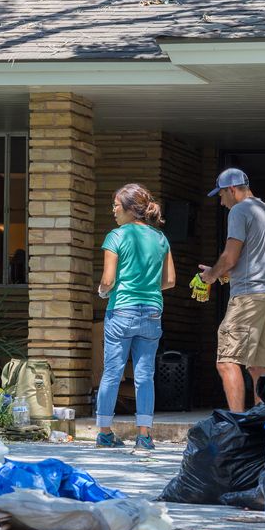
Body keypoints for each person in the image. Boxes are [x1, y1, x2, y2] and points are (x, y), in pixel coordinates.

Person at [95, 183, 176, 450]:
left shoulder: (116, 237)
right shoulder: (160, 238)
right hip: (152, 311)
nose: (113, 210)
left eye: (116, 206)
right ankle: (144, 436)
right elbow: (170, 281)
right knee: (145, 376)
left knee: (112, 372)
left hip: (121, 311)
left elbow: (108, 280)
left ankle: (105, 433)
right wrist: (148, 286)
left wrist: (103, 291)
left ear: (131, 209)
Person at [199, 168, 265, 412]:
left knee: (226, 362)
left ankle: (238, 425)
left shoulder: (239, 211)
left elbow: (230, 257)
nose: (221, 201)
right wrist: (230, 272)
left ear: (232, 189)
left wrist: (211, 276)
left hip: (247, 296)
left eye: (221, 195)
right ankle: (260, 425)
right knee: (259, 367)